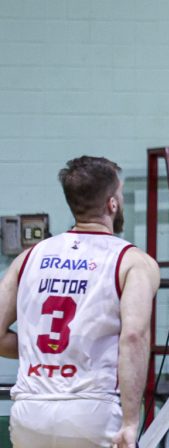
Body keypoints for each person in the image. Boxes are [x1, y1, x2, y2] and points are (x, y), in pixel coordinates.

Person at [0, 156, 160, 448]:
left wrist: (46, 351)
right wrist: (130, 422)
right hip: (92, 409)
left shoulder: (28, 258)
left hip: (30, 411)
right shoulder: (133, 261)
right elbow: (134, 337)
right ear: (112, 204)